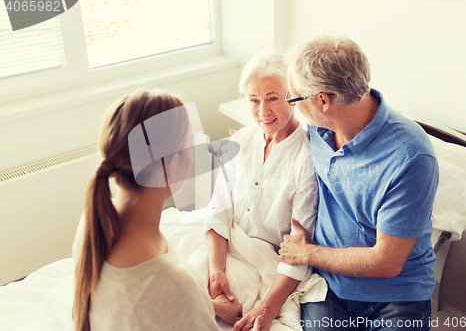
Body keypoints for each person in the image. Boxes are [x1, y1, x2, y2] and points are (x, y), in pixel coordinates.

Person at [278, 35, 439, 331]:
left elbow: (387, 262)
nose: (291, 105)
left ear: (323, 101)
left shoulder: (410, 155)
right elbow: (272, 138)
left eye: (293, 97)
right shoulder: (316, 130)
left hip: (397, 295)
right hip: (327, 288)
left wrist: (306, 253)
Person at [72, 89, 221, 331]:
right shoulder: (172, 283)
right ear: (172, 166)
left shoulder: (93, 223)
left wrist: (207, 307)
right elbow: (159, 300)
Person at [205, 51, 319, 331]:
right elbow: (218, 212)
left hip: (265, 263)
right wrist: (216, 270)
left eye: (272, 98)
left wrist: (268, 307)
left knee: (229, 307)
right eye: (254, 100)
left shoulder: (307, 158)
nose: (263, 111)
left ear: (292, 95)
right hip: (222, 249)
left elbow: (299, 248)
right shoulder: (241, 140)